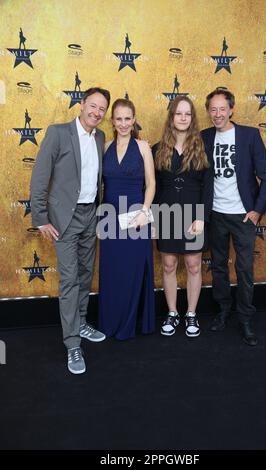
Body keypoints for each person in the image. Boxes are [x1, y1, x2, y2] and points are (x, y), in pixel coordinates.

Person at [30, 87, 111, 374]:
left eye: (102, 109)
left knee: (85, 273)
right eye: (92, 106)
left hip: (91, 213)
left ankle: (81, 321)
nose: (96, 112)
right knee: (68, 279)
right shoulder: (58, 132)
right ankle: (72, 343)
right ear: (81, 105)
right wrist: (40, 218)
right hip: (65, 217)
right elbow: (40, 176)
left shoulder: (100, 137)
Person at [202, 88, 266, 346]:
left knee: (244, 269)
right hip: (216, 214)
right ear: (208, 111)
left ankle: (245, 317)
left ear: (231, 109)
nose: (217, 114)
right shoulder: (205, 137)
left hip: (243, 216)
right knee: (219, 266)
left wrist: (256, 210)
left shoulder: (249, 135)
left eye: (222, 109)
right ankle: (223, 311)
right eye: (213, 109)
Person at [152, 96, 213, 338]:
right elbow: (153, 188)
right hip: (166, 214)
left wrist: (201, 217)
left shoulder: (201, 147)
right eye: (178, 113)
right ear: (171, 117)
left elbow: (208, 187)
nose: (183, 118)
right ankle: (172, 312)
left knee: (193, 265)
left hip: (193, 215)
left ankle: (190, 313)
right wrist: (155, 220)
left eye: (187, 114)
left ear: (192, 118)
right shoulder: (158, 149)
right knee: (168, 265)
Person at [98, 98, 156, 340]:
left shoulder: (143, 147)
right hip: (110, 217)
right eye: (118, 119)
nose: (123, 123)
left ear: (134, 120)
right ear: (112, 120)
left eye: (127, 119)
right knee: (112, 273)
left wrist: (144, 211)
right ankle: (110, 322)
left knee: (132, 272)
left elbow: (151, 184)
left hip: (136, 218)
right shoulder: (105, 147)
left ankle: (129, 324)